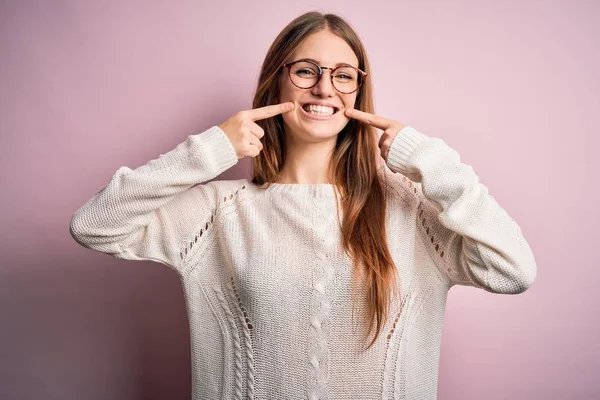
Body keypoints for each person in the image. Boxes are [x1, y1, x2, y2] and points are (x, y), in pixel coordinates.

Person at [69, 10, 537, 400]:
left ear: (357, 89)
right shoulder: (219, 211)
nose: (324, 88)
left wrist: (429, 160)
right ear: (277, 82)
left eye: (343, 75)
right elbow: (94, 225)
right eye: (306, 70)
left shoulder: (409, 209)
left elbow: (514, 270)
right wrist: (211, 150)